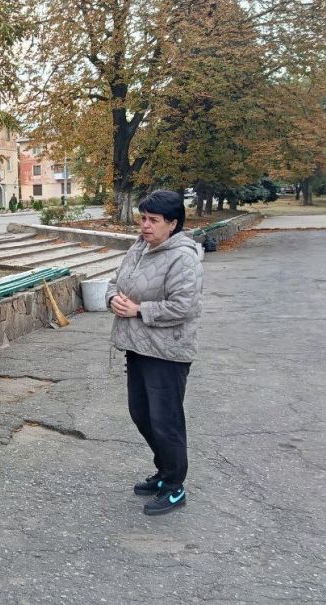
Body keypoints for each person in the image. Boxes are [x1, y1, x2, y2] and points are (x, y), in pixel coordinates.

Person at [105, 190, 203, 516]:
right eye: (143, 218)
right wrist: (112, 300)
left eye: (153, 220)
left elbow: (183, 306)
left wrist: (137, 310)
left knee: (166, 421)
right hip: (137, 346)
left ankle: (175, 486)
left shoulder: (183, 257)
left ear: (172, 224)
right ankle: (164, 471)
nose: (145, 226)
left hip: (167, 352)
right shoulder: (140, 247)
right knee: (142, 414)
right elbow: (114, 282)